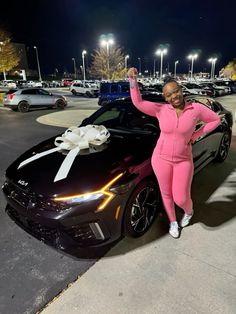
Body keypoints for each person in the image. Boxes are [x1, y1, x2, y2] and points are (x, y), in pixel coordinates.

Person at [127, 67, 220, 238]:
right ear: (165, 97)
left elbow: (215, 119)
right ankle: (172, 222)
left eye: (176, 91)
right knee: (166, 193)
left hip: (183, 160)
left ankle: (189, 211)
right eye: (169, 95)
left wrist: (196, 134)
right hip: (160, 158)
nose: (174, 96)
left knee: (181, 197)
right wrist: (132, 80)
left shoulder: (196, 109)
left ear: (181, 90)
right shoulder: (161, 110)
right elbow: (138, 103)